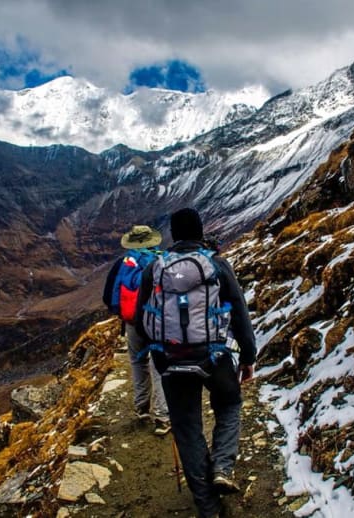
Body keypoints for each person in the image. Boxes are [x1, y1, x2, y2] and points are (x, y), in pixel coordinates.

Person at [135, 208, 256, 518]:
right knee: (229, 405)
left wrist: (159, 354)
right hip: (214, 356)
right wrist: (248, 357)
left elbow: (140, 320)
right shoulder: (217, 266)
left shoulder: (155, 269)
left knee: (187, 428)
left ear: (173, 236)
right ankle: (223, 467)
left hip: (172, 360)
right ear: (201, 232)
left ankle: (208, 506)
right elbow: (240, 314)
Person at [103, 224, 171, 436]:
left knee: (137, 361)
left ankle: (142, 407)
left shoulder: (124, 264)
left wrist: (124, 314)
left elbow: (108, 296)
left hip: (133, 322)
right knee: (159, 364)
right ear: (153, 241)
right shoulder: (163, 261)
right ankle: (162, 416)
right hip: (158, 321)